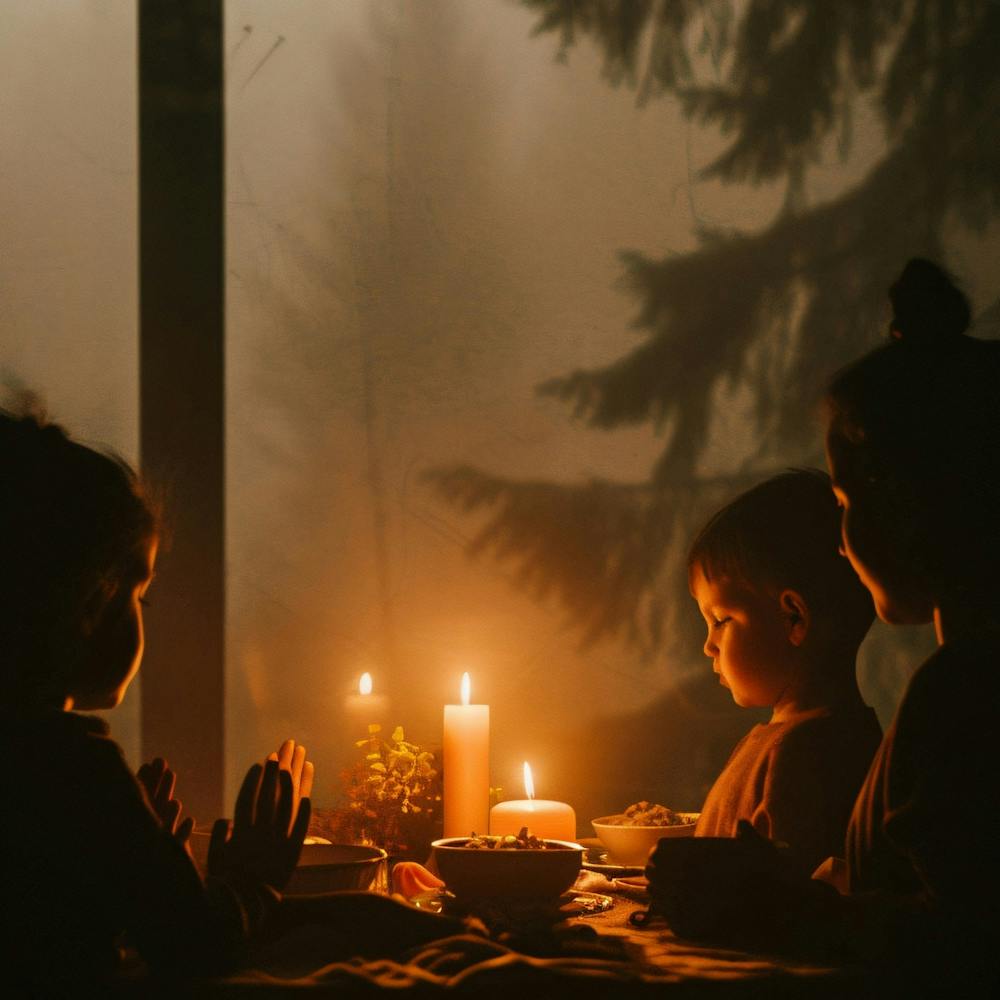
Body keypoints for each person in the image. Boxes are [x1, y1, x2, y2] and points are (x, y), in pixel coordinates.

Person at [0, 408, 460, 992]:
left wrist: (139, 864)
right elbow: (194, 948)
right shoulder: (69, 766)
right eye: (140, 596)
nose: (142, 619)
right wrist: (254, 878)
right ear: (87, 604)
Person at [649, 259, 1000, 993]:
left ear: (915, 507)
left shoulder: (968, 693)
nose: (840, 542)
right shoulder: (954, 682)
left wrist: (772, 907)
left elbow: (964, 945)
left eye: (846, 502)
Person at [688, 470, 881, 876]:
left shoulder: (809, 753)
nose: (708, 646)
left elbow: (784, 902)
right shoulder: (778, 740)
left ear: (793, 618)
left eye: (720, 619)